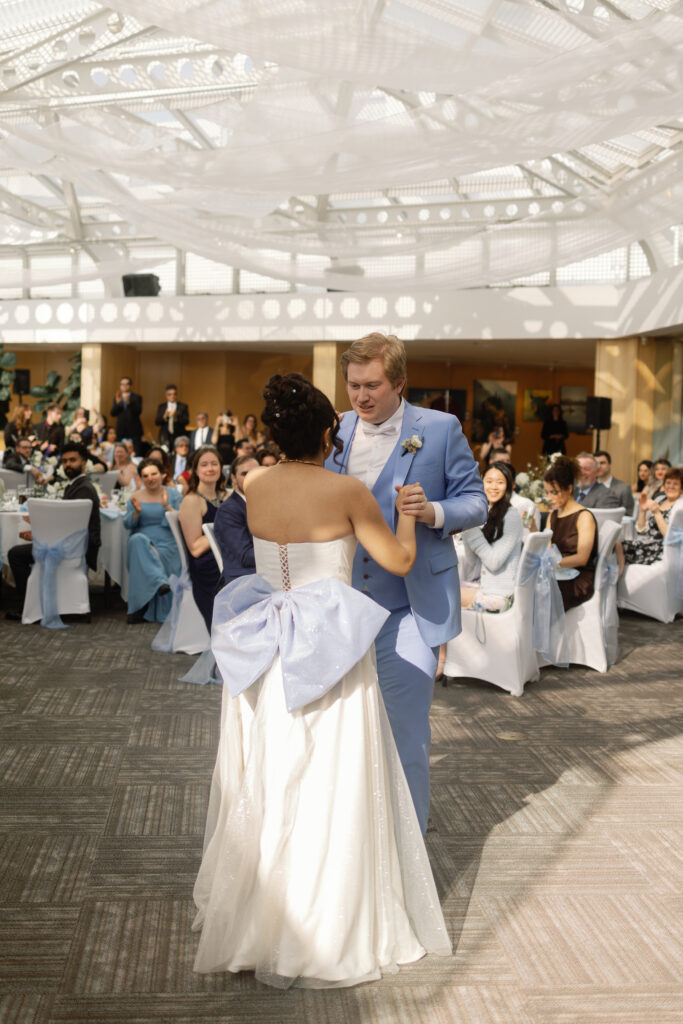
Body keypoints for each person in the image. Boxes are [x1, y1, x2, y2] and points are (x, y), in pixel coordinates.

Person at [192, 372, 451, 985]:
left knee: (270, 773)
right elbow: (400, 561)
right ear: (330, 432)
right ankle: (322, 917)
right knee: (330, 777)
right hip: (330, 653)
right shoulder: (348, 491)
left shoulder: (253, 485)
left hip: (267, 649)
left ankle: (261, 918)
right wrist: (407, 515)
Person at [326, 333, 487, 832]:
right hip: (342, 605)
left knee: (405, 730)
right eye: (353, 385)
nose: (360, 396)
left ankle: (409, 848)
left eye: (372, 385)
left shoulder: (439, 428)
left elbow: (476, 500)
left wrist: (433, 510)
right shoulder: (337, 428)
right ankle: (359, 839)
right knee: (342, 730)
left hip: (410, 608)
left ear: (399, 382)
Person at [7, 442, 101, 615]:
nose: (67, 465)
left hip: (74, 548)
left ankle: (28, 603)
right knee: (21, 547)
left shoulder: (84, 489)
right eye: (64, 461)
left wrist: (39, 536)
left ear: (84, 462)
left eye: (72, 460)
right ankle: (35, 597)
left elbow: (71, 527)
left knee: (15, 554)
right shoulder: (78, 485)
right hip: (73, 544)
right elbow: (66, 522)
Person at [122, 458, 182, 623]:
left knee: (143, 550)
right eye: (146, 475)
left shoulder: (173, 494)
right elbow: (126, 524)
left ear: (162, 474)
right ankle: (159, 583)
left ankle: (140, 608)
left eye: (154, 473)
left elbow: (183, 520)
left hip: (168, 540)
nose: (150, 478)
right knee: (137, 540)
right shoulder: (136, 497)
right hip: (144, 541)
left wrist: (167, 507)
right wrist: (136, 513)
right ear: (141, 478)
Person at [460, 463, 524, 612]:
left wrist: (470, 528)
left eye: (500, 482)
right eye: (489, 481)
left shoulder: (511, 516)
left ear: (508, 486)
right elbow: (471, 564)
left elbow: (494, 562)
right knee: (443, 587)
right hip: (483, 586)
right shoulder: (488, 512)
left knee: (445, 594)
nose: (493, 487)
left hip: (501, 595)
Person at [178, 446, 227, 630]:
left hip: (226, 556)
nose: (210, 469)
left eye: (214, 464)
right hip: (207, 566)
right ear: (195, 470)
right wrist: (225, 529)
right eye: (204, 464)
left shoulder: (226, 495)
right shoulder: (192, 501)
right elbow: (195, 548)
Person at [543, 455, 598, 611]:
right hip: (557, 573)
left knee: (541, 593)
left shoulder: (584, 516)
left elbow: (582, 558)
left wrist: (553, 564)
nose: (549, 498)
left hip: (579, 578)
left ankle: (545, 635)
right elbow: (547, 549)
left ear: (569, 488)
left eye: (554, 492)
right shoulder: (552, 516)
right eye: (547, 492)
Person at [213, 454, 259, 586]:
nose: (251, 477)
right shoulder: (228, 511)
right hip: (243, 581)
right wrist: (282, 552)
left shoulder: (265, 503)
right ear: (233, 478)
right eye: (244, 474)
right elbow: (245, 557)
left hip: (268, 573)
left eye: (255, 473)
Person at [622, 466, 682, 565]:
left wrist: (657, 513)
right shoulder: (660, 499)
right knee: (616, 544)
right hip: (646, 542)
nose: (671, 486)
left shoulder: (680, 506)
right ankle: (616, 575)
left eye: (675, 484)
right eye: (668, 483)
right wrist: (643, 511)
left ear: (681, 487)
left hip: (662, 549)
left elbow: (670, 537)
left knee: (619, 548)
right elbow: (641, 530)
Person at [594, 450, 634, 515]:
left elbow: (629, 513)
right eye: (595, 463)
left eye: (602, 463)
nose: (598, 466)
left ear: (610, 464)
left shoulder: (624, 488)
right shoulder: (590, 487)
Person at [110, 376, 143, 454]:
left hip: (134, 430)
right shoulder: (117, 397)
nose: (124, 386)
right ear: (120, 386)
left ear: (130, 385)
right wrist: (119, 403)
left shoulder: (137, 397)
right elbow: (112, 413)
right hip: (121, 430)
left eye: (127, 384)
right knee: (119, 452)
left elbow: (138, 411)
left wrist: (129, 402)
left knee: (135, 453)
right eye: (122, 384)